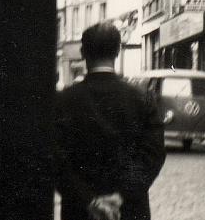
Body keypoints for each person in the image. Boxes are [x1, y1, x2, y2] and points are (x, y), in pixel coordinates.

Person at [55, 23, 165, 220]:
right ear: (118, 51)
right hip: (128, 210)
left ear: (83, 52)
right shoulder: (142, 99)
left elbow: (57, 159)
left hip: (79, 211)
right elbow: (153, 155)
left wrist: (89, 200)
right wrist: (122, 195)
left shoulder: (64, 101)